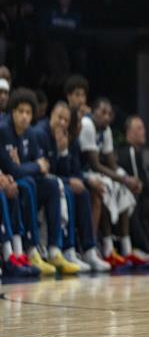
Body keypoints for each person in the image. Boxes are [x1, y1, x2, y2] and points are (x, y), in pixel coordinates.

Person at [0, 88, 79, 275]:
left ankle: (54, 250)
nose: (24, 117)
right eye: (21, 111)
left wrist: (26, 166)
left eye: (28, 112)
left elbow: (44, 167)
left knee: (51, 186)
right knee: (27, 184)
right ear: (12, 112)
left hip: (19, 181)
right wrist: (31, 166)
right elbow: (16, 169)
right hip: (9, 181)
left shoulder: (30, 133)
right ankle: (27, 250)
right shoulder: (4, 131)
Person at [34, 101, 110, 272]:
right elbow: (44, 171)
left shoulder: (68, 137)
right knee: (66, 190)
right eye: (59, 118)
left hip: (56, 182)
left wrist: (63, 151)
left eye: (66, 120)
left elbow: (71, 171)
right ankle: (64, 249)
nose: (62, 123)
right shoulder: (40, 134)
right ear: (52, 114)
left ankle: (89, 250)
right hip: (42, 183)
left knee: (82, 193)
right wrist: (68, 181)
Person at [79, 97, 147, 269]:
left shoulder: (106, 130)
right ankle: (99, 249)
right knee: (105, 188)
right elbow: (95, 164)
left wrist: (128, 179)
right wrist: (124, 179)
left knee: (122, 189)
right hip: (81, 171)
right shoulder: (87, 125)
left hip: (95, 172)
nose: (107, 117)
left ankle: (125, 249)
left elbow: (111, 164)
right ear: (93, 112)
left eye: (110, 114)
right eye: (103, 112)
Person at [117, 115, 149, 264]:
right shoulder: (129, 152)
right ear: (129, 133)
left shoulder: (138, 153)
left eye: (143, 128)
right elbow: (138, 186)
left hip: (143, 200)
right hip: (134, 201)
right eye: (139, 128)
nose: (143, 131)